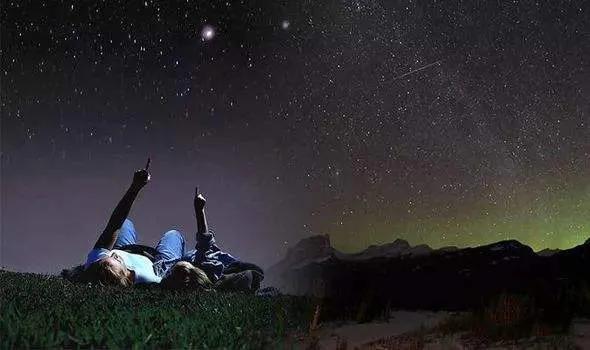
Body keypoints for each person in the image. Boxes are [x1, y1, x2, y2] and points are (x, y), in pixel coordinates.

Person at [83, 159, 187, 286]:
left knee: (124, 223)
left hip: (128, 250)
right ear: (128, 276)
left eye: (110, 256)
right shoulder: (151, 280)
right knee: (173, 235)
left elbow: (115, 223)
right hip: (158, 265)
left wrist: (135, 187)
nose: (115, 256)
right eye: (117, 260)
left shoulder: (96, 262)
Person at [162, 187, 264, 292]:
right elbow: (205, 242)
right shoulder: (207, 268)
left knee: (173, 234)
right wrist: (200, 210)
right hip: (204, 265)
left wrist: (199, 210)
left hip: (167, 266)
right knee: (174, 235)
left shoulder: (165, 274)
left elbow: (204, 242)